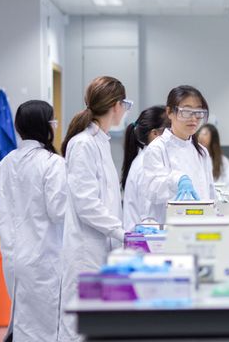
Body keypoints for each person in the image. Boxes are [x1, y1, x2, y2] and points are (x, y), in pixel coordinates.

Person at [59, 76, 131, 341]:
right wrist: (120, 231)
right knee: (78, 326)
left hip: (101, 247)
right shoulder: (83, 144)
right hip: (85, 251)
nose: (125, 110)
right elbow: (87, 204)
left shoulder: (99, 141)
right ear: (115, 105)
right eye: (125, 103)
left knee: (95, 324)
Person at [0, 100, 70, 341]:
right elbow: (59, 211)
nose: (55, 126)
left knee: (23, 322)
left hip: (14, 259)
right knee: (42, 329)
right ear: (45, 126)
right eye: (53, 121)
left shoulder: (4, 163)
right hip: (43, 258)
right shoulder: (52, 163)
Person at [143, 85, 216, 220]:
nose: (194, 118)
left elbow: (209, 194)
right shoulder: (157, 148)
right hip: (169, 229)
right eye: (187, 111)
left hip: (201, 227)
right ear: (170, 112)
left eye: (198, 112)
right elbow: (152, 190)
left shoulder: (201, 152)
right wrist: (177, 180)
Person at [121, 106, 167, 229]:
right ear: (155, 134)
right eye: (169, 130)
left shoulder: (149, 159)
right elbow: (148, 215)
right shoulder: (145, 164)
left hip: (148, 239)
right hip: (145, 241)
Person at [195, 123, 229, 189]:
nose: (201, 137)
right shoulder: (194, 157)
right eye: (200, 133)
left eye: (205, 134)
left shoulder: (222, 160)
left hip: (219, 195)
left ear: (213, 138)